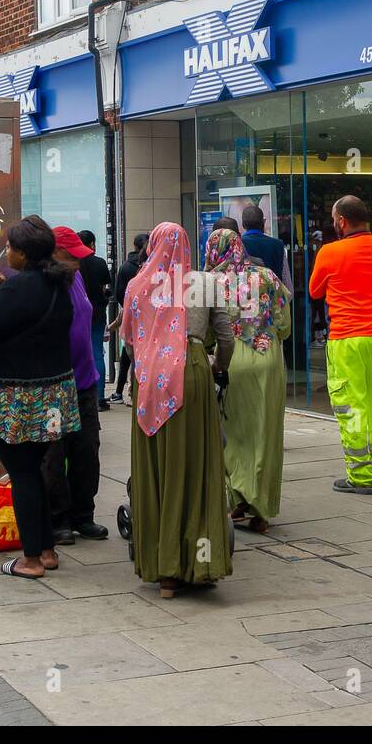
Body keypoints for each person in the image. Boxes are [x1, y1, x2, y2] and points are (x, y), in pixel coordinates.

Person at [0, 215, 81, 580]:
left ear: (23, 254)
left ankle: (30, 560)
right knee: (32, 466)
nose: (6, 253)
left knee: (22, 471)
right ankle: (46, 550)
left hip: (15, 396)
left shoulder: (17, 288)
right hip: (53, 395)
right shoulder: (58, 283)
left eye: (9, 248)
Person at [123, 221, 234, 598]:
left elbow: (128, 341)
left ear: (152, 246)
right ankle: (199, 562)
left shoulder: (137, 285)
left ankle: (163, 570)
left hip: (150, 378)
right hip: (193, 371)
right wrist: (218, 367)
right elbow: (226, 337)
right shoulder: (204, 283)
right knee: (196, 467)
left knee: (156, 469)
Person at [205, 228, 291, 533]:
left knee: (233, 434)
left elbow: (207, 332)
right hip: (269, 360)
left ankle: (238, 499)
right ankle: (261, 510)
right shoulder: (268, 277)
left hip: (232, 361)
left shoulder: (213, 281)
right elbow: (284, 325)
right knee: (266, 434)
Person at [308, 195, 372, 495]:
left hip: (346, 339)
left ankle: (360, 475)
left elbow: (314, 291)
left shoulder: (330, 252)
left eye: (335, 219)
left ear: (342, 221)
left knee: (351, 405)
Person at [42, 226, 108, 544]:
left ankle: (84, 515)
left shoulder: (77, 277)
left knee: (87, 451)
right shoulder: (45, 285)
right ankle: (59, 520)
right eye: (72, 256)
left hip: (85, 382)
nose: (78, 262)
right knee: (55, 455)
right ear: (56, 255)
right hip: (55, 387)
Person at [108, 233, 148, 406]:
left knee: (128, 353)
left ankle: (120, 391)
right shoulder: (150, 266)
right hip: (147, 319)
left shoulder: (125, 266)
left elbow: (118, 293)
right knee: (137, 356)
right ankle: (133, 392)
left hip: (129, 316)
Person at [75, 230, 112, 410]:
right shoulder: (99, 262)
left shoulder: (73, 264)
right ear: (92, 244)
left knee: (79, 354)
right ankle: (100, 397)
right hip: (97, 313)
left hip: (78, 314)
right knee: (97, 353)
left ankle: (81, 394)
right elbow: (105, 288)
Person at [240, 204, 294, 292]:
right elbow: (287, 284)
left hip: (247, 298)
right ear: (263, 222)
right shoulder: (278, 245)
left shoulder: (237, 245)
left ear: (243, 224)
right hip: (273, 298)